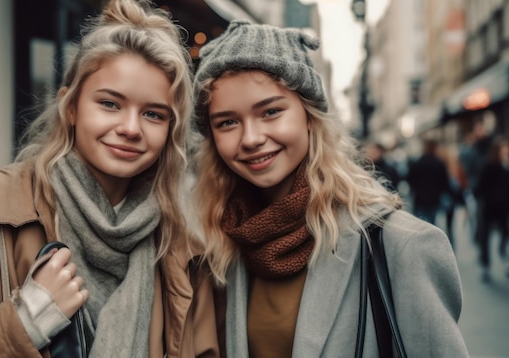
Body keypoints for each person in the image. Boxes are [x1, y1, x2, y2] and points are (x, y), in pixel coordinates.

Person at [0, 1, 219, 357]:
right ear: (70, 107)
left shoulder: (183, 250)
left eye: (153, 114)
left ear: (170, 130)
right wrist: (22, 325)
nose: (130, 128)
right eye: (110, 104)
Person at [191, 20, 468, 357]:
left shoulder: (399, 245)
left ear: (309, 116)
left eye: (271, 112)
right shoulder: (221, 245)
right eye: (228, 122)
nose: (250, 138)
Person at [474, 136, 509, 282]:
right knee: (485, 238)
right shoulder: (489, 166)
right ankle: (485, 267)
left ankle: (504, 258)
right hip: (489, 207)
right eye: (504, 149)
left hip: (504, 208)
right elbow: (480, 187)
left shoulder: (506, 166)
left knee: (505, 235)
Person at [406, 139, 461, 225]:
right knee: (431, 223)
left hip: (420, 199)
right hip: (434, 199)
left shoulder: (417, 163)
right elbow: (444, 183)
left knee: (420, 224)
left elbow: (410, 180)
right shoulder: (439, 164)